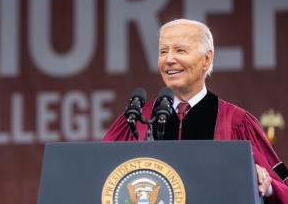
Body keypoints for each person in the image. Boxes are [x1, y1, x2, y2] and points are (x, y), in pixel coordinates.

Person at [103, 19, 288, 203]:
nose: (168, 60)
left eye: (180, 50)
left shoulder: (237, 122)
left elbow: (283, 189)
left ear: (206, 59)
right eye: (163, 51)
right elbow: (100, 176)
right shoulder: (137, 120)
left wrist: (266, 183)